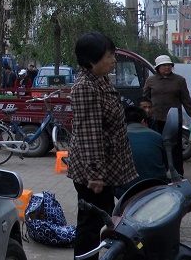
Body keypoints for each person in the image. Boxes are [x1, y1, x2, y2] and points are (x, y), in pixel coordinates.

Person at [67, 32, 137, 260]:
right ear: (91, 60)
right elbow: (90, 135)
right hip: (92, 173)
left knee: (101, 218)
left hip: (105, 169)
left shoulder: (100, 79)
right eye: (109, 56)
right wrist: (95, 175)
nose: (113, 60)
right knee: (89, 226)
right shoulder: (85, 87)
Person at [143, 55, 191, 176]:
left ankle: (178, 173)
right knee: (158, 146)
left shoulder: (179, 80)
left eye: (169, 65)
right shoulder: (151, 80)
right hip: (156, 118)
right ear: (158, 67)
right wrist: (143, 114)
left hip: (173, 119)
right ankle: (160, 173)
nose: (167, 67)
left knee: (175, 148)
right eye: (164, 65)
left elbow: (186, 100)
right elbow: (145, 99)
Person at [114, 106, 169, 199]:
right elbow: (166, 165)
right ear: (143, 121)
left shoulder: (117, 138)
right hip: (156, 187)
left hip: (127, 191)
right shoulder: (157, 137)